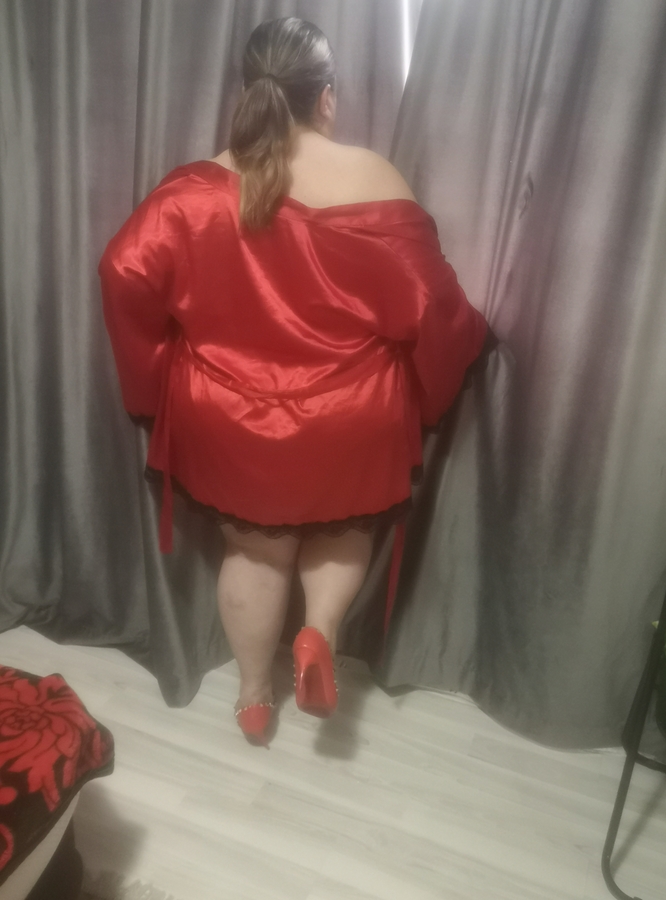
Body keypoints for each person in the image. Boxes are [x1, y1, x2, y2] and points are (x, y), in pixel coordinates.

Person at [99, 18, 488, 746]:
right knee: (340, 532)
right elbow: (433, 310)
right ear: (326, 97)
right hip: (351, 413)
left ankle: (253, 697)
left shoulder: (191, 189)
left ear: (247, 92)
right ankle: (317, 635)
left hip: (230, 414)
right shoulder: (375, 178)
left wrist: (151, 385)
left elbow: (123, 271)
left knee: (254, 552)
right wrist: (461, 356)